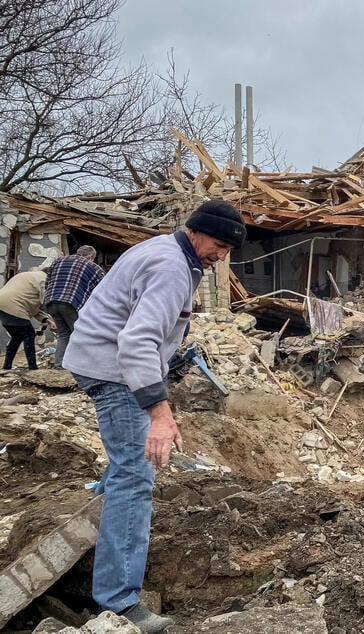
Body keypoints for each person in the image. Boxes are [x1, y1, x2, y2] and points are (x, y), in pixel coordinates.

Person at [64, 200, 245, 633]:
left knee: (126, 462)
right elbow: (137, 342)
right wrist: (159, 412)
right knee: (136, 471)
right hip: (113, 370)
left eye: (228, 250)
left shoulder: (168, 252)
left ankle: (96, 538)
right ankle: (120, 602)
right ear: (196, 232)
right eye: (219, 244)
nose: (222, 256)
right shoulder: (169, 266)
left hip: (99, 360)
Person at [43, 245, 105, 367]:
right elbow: (104, 289)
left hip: (51, 302)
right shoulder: (92, 267)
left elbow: (47, 283)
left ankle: (60, 365)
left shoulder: (58, 261)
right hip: (71, 303)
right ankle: (84, 366)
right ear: (90, 256)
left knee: (63, 334)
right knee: (81, 334)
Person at [0, 269, 51, 372]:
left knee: (17, 336)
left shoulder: (27, 276)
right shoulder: (43, 279)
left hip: (3, 304)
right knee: (29, 334)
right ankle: (32, 368)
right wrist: (56, 315)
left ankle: (6, 366)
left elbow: (33, 306)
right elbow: (45, 301)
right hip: (14, 305)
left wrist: (48, 320)